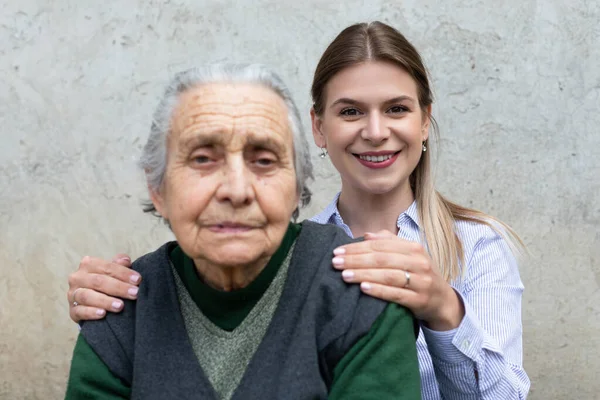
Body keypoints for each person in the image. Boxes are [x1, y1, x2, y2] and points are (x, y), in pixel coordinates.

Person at [67, 22, 530, 399]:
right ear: (319, 128)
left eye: (396, 109)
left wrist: (443, 307)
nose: (374, 131)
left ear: (425, 121)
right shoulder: (283, 254)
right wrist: (112, 298)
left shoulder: (475, 244)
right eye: (350, 112)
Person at [64, 63, 421, 399]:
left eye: (263, 161)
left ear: (296, 187)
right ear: (158, 191)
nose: (236, 190)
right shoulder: (119, 309)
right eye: (203, 159)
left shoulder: (363, 295)